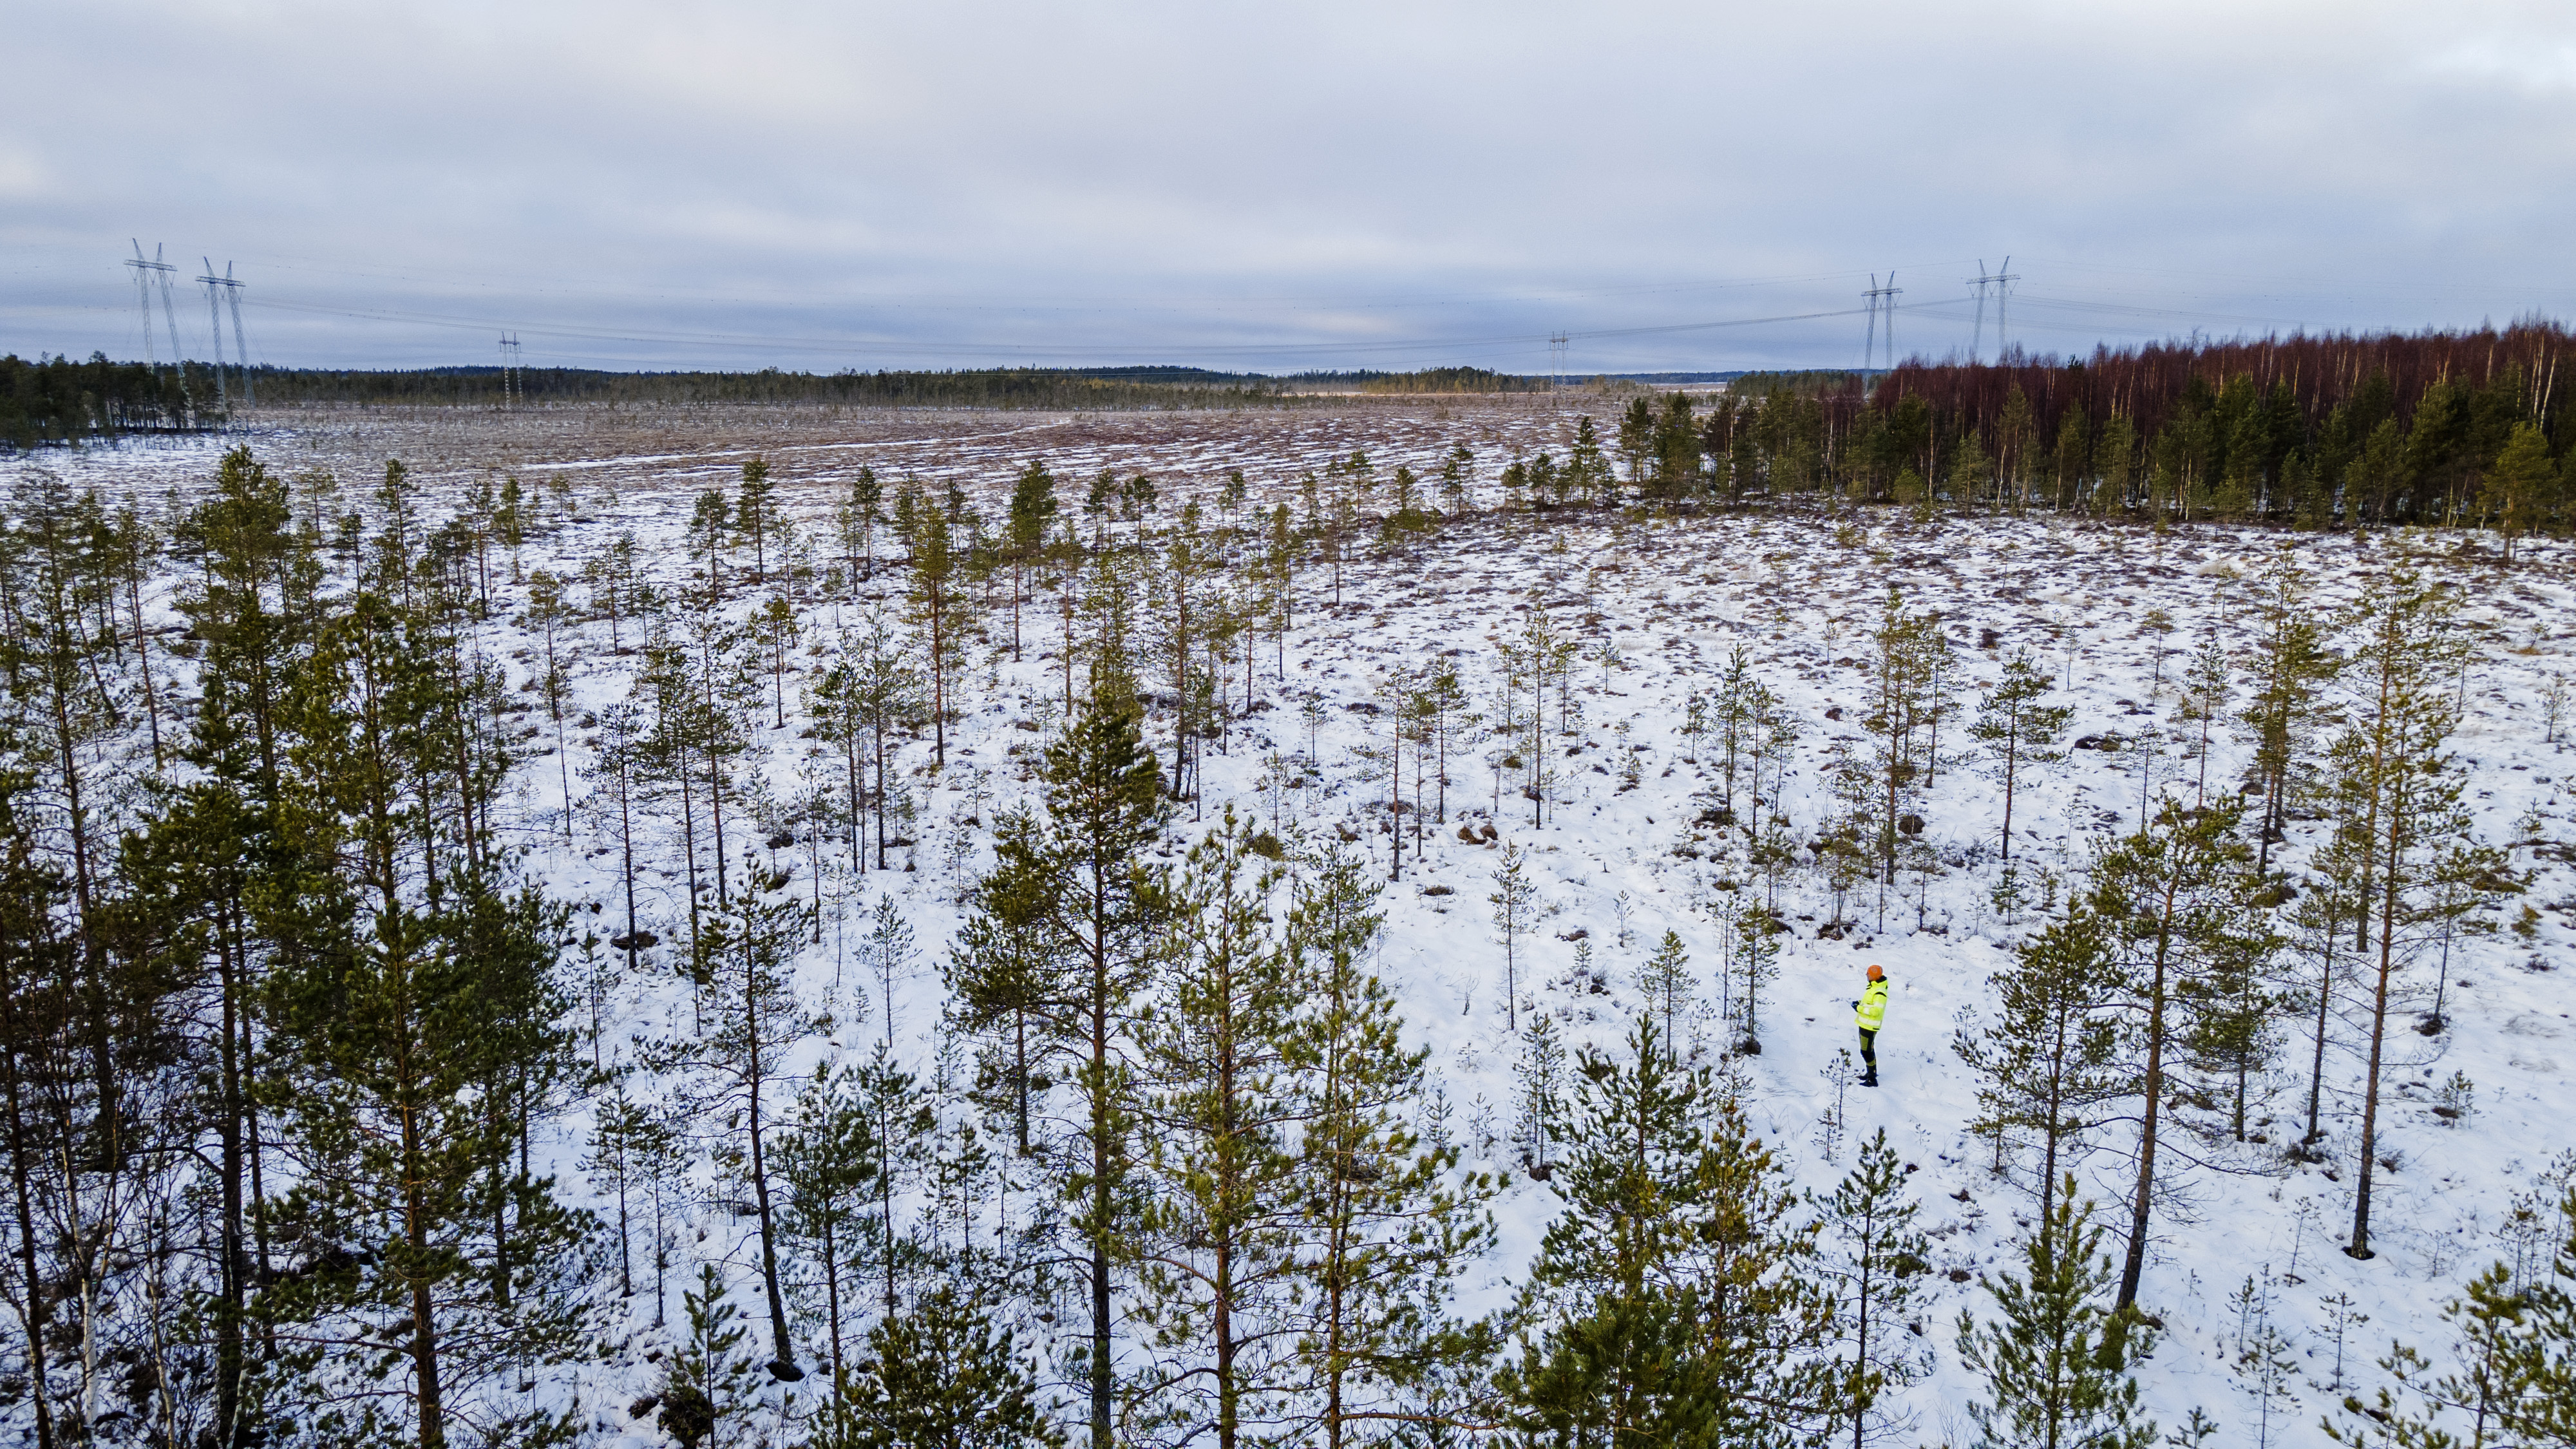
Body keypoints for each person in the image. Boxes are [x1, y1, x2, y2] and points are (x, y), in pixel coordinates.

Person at [1853, 964, 1888, 1087]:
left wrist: (1858, 1008)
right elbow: (1870, 1005)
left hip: (1869, 1026)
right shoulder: (1873, 987)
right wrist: (1860, 1004)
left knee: (1866, 1052)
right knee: (1868, 1051)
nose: (1867, 975)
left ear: (1873, 976)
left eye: (1868, 974)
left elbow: (1876, 1011)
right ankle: (1870, 1074)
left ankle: (1872, 1079)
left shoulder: (1879, 992)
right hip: (1864, 1024)